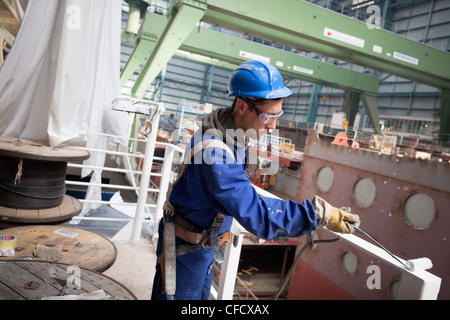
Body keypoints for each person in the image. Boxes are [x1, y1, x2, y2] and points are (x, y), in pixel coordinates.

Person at [151, 60, 360, 300]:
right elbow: (257, 214)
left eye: (277, 116)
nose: (273, 126)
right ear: (241, 106)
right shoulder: (215, 155)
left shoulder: (227, 129)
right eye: (267, 117)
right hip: (185, 252)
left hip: (202, 247)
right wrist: (317, 214)